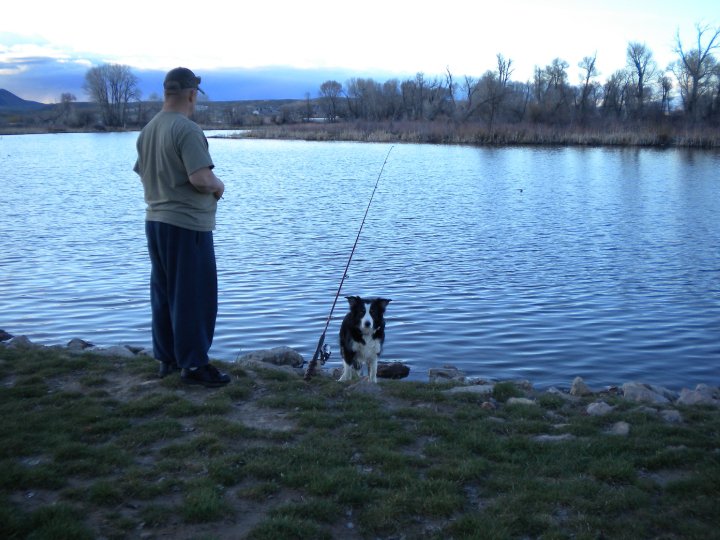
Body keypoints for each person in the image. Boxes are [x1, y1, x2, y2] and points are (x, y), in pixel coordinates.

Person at [133, 67, 230, 387]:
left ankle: (168, 360)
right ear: (191, 94)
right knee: (194, 296)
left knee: (164, 294)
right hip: (188, 226)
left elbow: (142, 171)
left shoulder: (148, 129)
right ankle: (195, 365)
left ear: (166, 92)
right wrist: (219, 186)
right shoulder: (186, 129)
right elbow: (200, 177)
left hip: (155, 223)